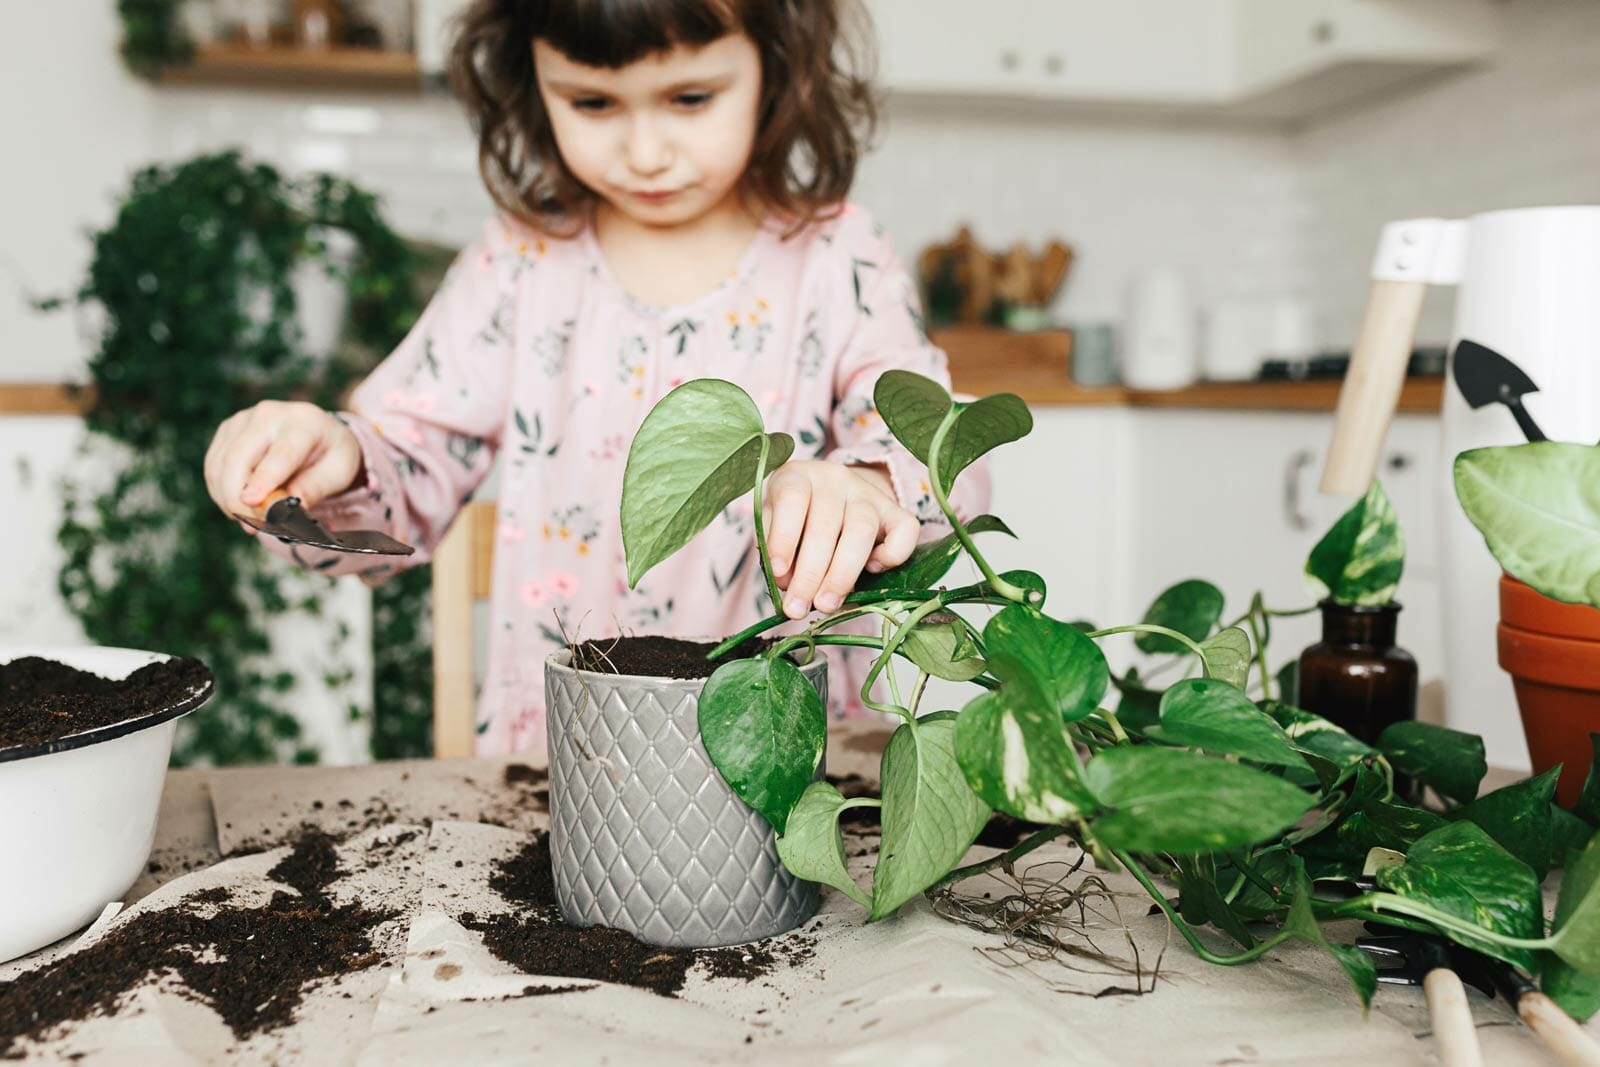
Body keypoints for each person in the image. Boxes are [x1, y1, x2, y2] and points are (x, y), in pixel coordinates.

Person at [203, 0, 990, 755]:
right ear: (531, 78)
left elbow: (943, 449)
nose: (645, 153)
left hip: (784, 767)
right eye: (592, 102)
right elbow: (400, 482)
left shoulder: (838, 261)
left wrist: (868, 487)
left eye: (690, 98)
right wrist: (334, 462)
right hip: (561, 764)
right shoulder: (518, 264)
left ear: (777, 60)